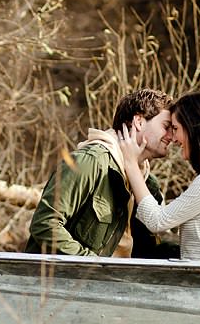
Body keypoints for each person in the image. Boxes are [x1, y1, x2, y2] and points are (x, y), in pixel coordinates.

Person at [26, 88, 180, 258]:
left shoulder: (147, 184)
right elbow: (45, 224)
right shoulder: (91, 162)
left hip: (118, 280)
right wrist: (95, 267)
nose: (172, 136)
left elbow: (144, 250)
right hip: (67, 281)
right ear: (139, 121)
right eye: (166, 127)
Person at [118, 92, 200, 261]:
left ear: (194, 127)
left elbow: (157, 221)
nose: (172, 138)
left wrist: (131, 164)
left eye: (175, 129)